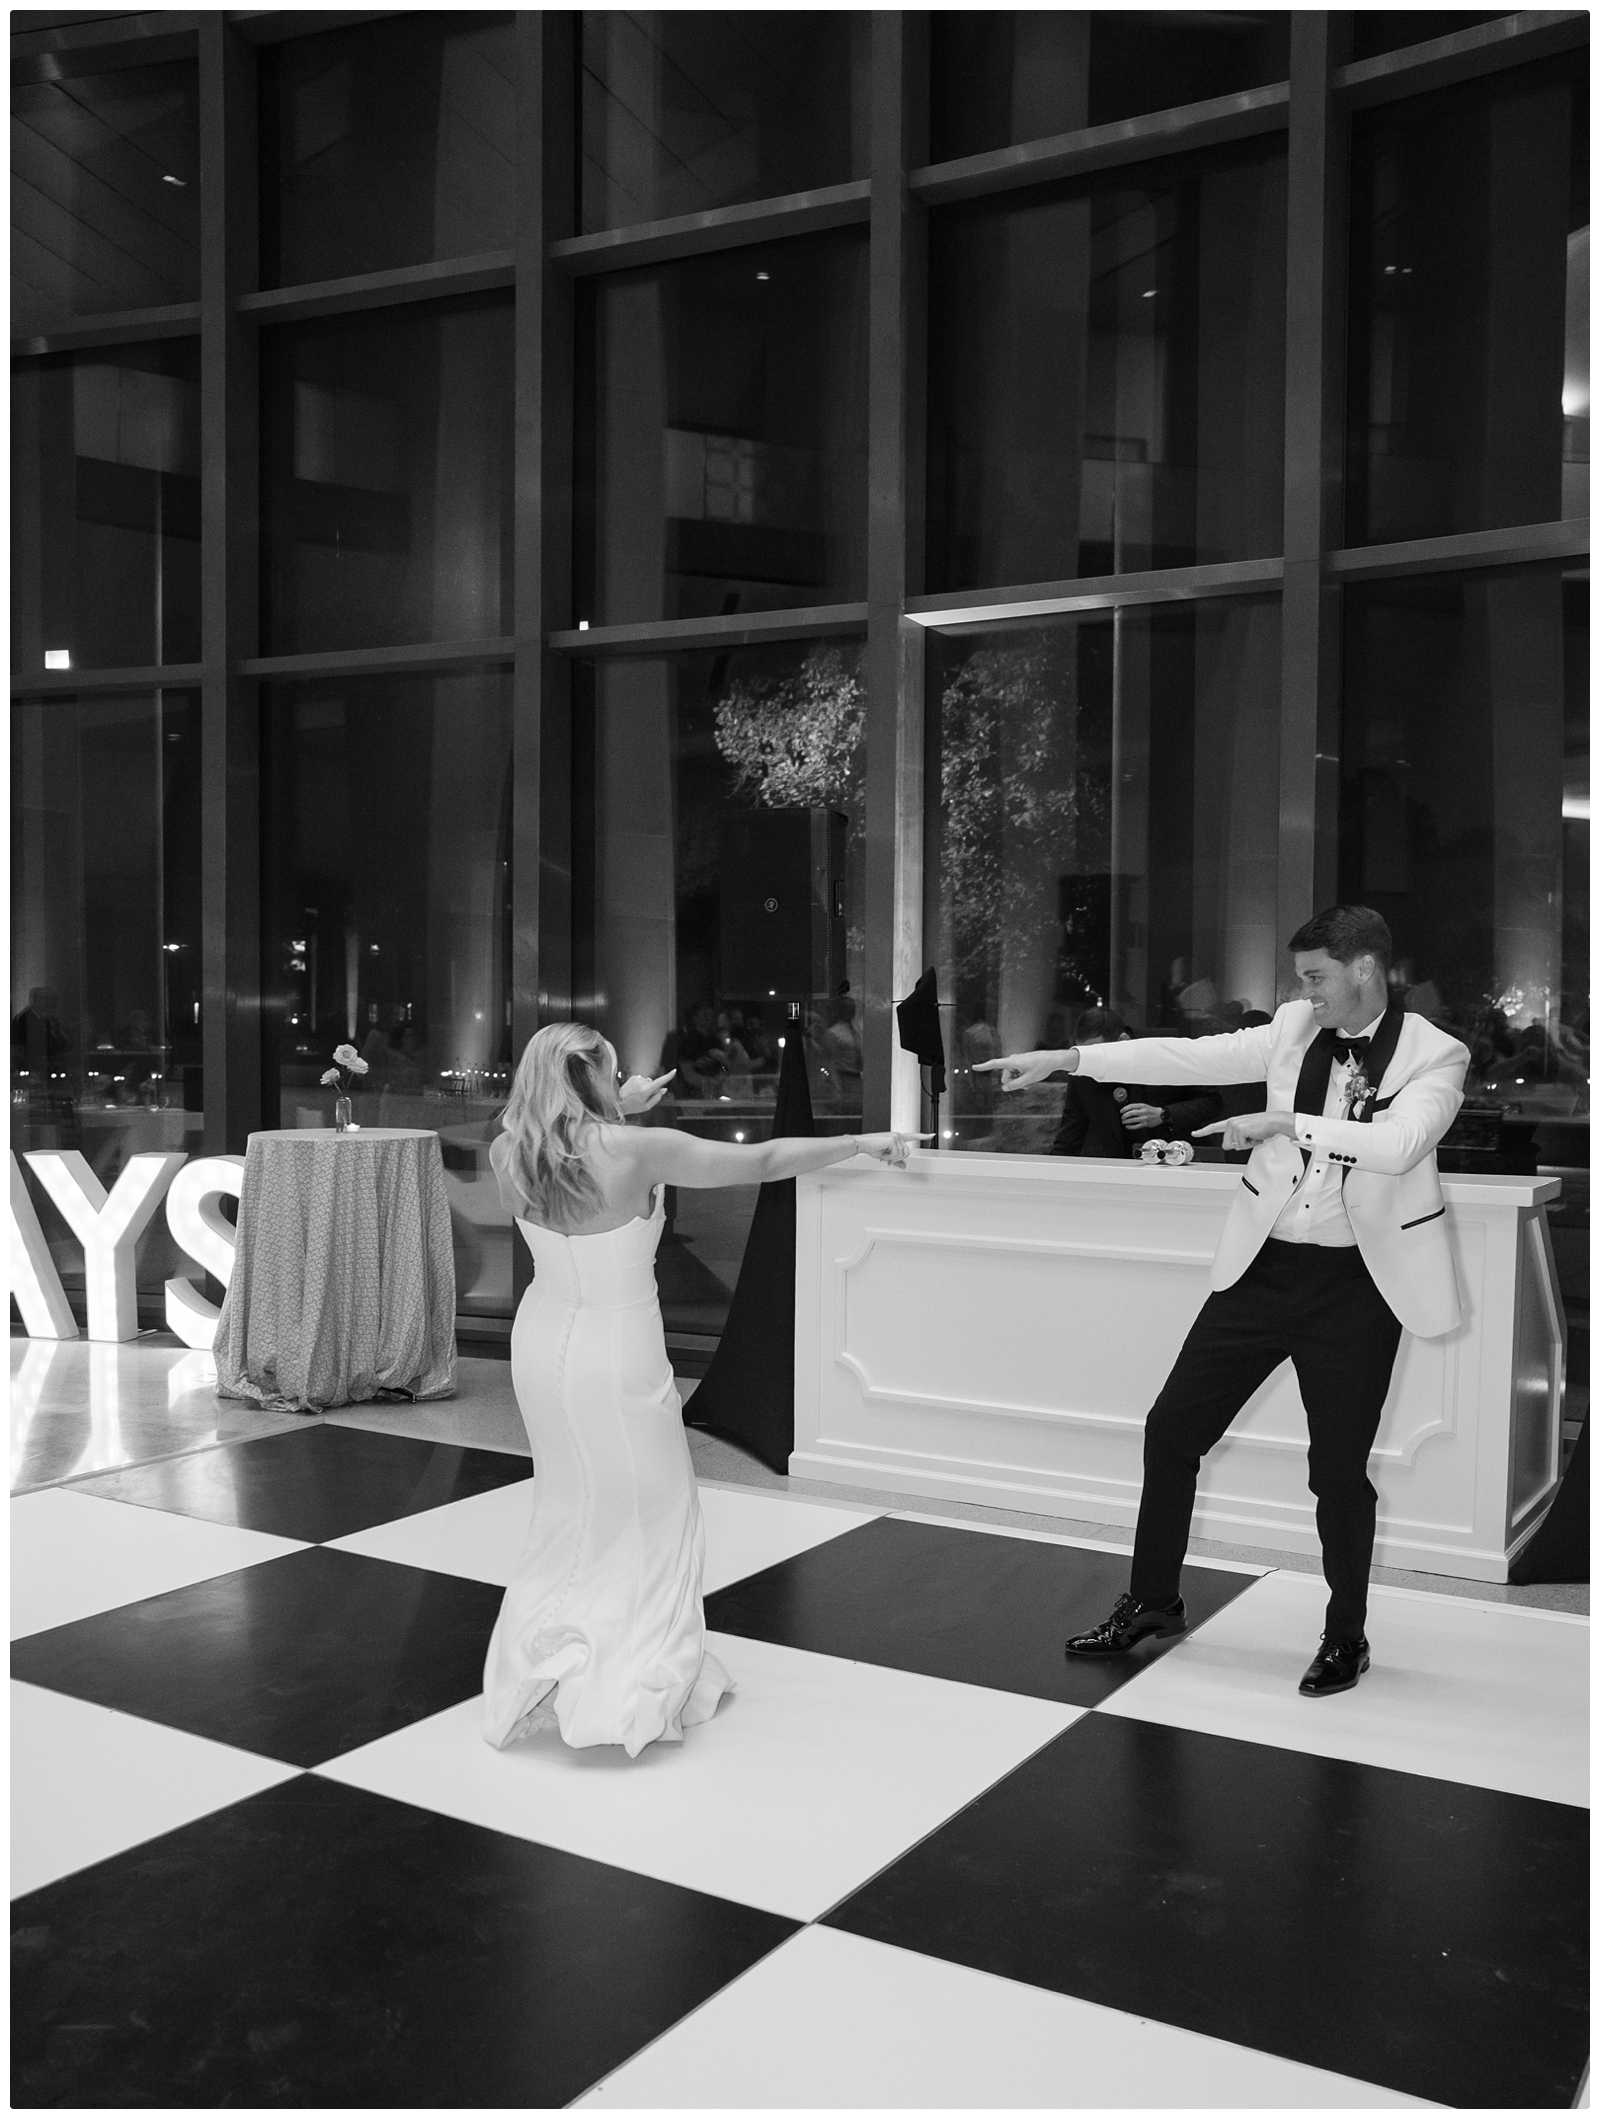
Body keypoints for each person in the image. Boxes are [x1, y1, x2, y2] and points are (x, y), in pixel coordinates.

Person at [978, 905, 1468, 1698]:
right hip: (1264, 1267)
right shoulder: (1293, 1025)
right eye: (1300, 979)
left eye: (1316, 977)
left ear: (1365, 970)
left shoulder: (1436, 1052)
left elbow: (1401, 1143)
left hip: (1358, 1287)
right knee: (1172, 1427)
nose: (1304, 992)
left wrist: (1288, 1122)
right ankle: (1153, 1599)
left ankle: (1346, 1635)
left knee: (1338, 1471)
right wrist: (1069, 1056)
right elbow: (1189, 1054)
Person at [482, 1022, 921, 1757]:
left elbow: (563, 1134)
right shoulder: (635, 1149)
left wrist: (614, 1101)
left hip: (541, 1345)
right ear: (590, 1078)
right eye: (613, 1072)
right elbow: (766, 1159)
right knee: (655, 1515)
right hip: (616, 1351)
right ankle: (626, 1690)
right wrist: (862, 1142)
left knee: (569, 1507)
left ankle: (547, 1661)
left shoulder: (510, 1149)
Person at [1051, 1007, 1222, 1157]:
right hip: (1118, 1168)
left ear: (1123, 1041)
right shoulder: (1082, 1067)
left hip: (1177, 1160)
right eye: (1084, 1054)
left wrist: (1163, 1114)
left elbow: (1212, 1102)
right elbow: (1069, 1137)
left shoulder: (1166, 1048)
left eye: (1097, 1054)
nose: (1090, 1063)